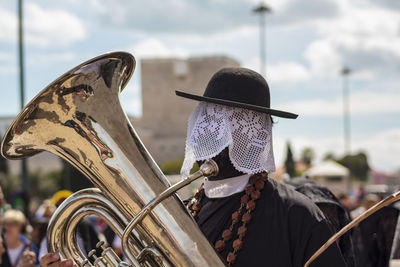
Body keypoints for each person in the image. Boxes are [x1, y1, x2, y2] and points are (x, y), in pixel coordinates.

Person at [41, 67, 347, 266]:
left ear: (252, 137)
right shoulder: (181, 213)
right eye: (209, 129)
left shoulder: (297, 214)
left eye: (228, 131)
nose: (212, 142)